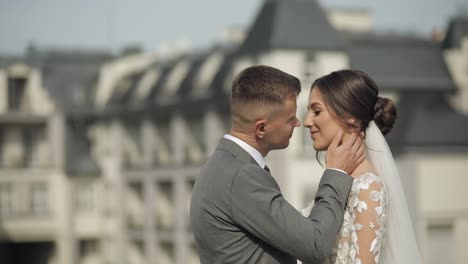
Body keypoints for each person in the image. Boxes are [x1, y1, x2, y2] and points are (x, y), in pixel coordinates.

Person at [190, 65, 365, 264]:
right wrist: (336, 171)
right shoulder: (243, 176)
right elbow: (315, 245)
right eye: (290, 118)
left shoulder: (222, 165)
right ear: (261, 128)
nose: (299, 123)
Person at [302, 69, 422, 263]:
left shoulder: (367, 187)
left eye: (316, 111)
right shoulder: (338, 180)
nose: (307, 122)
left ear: (350, 116)